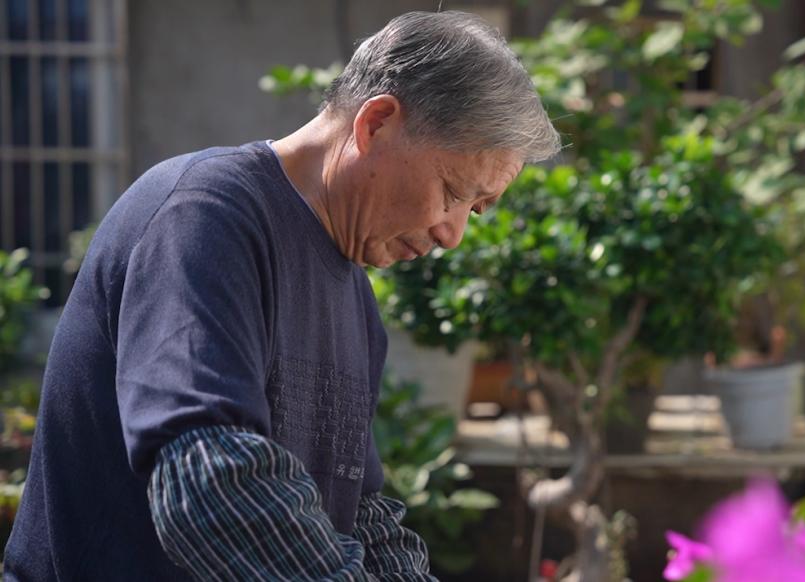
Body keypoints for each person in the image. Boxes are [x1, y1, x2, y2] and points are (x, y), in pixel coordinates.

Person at [4, 11, 560, 581]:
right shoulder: (203, 218)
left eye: (475, 209)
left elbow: (361, 517)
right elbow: (210, 480)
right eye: (451, 193)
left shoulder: (355, 296)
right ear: (378, 123)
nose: (453, 234)